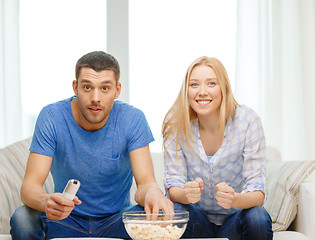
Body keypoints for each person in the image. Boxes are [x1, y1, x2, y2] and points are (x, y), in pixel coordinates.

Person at [10, 51, 173, 239]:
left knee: (166, 213)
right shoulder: (51, 116)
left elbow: (145, 183)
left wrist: (153, 193)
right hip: (65, 219)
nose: (96, 98)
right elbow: (30, 186)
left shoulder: (133, 119)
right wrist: (46, 200)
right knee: (22, 217)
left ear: (117, 90)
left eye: (105, 88)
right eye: (87, 87)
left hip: (116, 220)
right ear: (75, 87)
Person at [162, 56, 273, 240]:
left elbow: (257, 192)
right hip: (196, 222)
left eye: (211, 83)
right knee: (177, 209)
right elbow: (174, 187)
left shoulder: (247, 121)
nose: (202, 92)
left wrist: (235, 199)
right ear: (186, 90)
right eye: (194, 85)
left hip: (235, 220)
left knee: (258, 217)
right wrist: (186, 194)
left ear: (224, 88)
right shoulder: (175, 124)